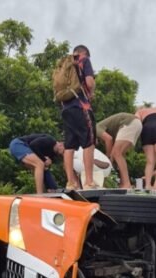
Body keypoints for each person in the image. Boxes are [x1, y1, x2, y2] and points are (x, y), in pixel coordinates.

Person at [60, 45, 97, 190]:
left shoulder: (65, 63)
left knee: (69, 146)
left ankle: (71, 182)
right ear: (84, 53)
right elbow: (89, 82)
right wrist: (91, 91)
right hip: (81, 106)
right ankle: (89, 181)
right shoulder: (84, 60)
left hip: (66, 109)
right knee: (89, 142)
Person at [97, 112, 142, 189]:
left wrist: (108, 157)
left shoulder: (95, 128)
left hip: (129, 123)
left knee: (116, 154)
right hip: (136, 124)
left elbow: (109, 139)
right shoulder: (106, 133)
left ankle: (127, 184)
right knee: (118, 156)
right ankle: (123, 183)